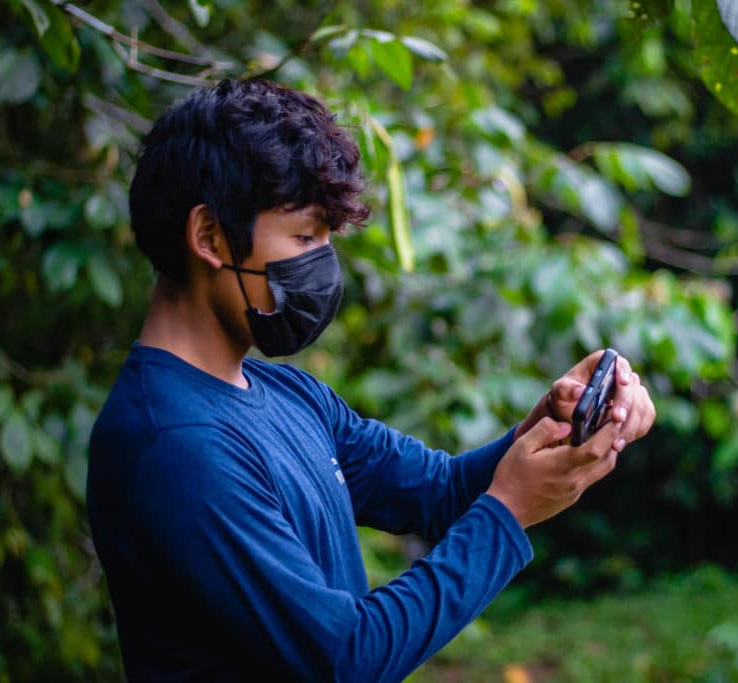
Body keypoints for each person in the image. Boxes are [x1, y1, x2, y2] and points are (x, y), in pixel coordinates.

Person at [87, 78, 655, 682]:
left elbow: (437, 490)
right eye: (305, 237)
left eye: (328, 240)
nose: (323, 266)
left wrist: (548, 425)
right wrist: (508, 513)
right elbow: (343, 660)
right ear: (209, 236)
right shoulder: (176, 444)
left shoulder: (285, 393)